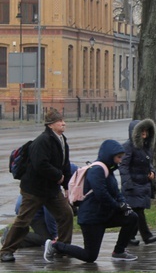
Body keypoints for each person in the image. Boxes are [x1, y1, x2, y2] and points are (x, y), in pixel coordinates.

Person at [44, 139, 139, 263]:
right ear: (110, 156)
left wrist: (123, 204)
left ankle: (119, 251)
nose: (120, 160)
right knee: (89, 256)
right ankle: (55, 245)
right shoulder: (96, 170)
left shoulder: (108, 170)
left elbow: (116, 192)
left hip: (104, 215)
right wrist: (117, 206)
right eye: (118, 157)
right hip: (91, 218)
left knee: (132, 217)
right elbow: (101, 194)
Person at [1, 109, 75, 263]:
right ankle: (6, 251)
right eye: (60, 121)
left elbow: (65, 164)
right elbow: (40, 164)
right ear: (50, 125)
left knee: (66, 214)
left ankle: (62, 247)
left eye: (63, 120)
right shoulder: (42, 141)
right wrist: (58, 176)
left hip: (51, 189)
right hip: (34, 189)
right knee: (23, 220)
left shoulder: (62, 140)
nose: (64, 123)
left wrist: (67, 185)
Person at [120, 118, 156, 245]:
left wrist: (152, 172)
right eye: (141, 130)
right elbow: (123, 166)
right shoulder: (128, 147)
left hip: (143, 183)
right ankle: (146, 235)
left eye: (146, 130)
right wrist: (128, 183)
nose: (144, 133)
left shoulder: (145, 147)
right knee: (138, 211)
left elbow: (148, 163)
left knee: (136, 211)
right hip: (133, 185)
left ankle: (130, 236)